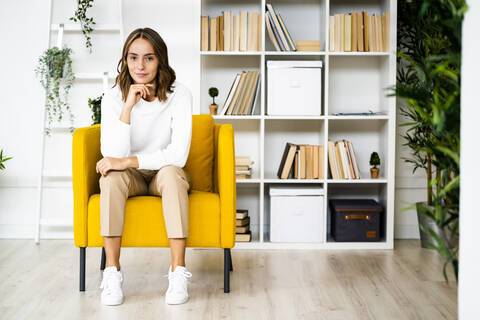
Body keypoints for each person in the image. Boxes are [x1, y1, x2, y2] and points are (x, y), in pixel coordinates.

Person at [95, 27, 193, 306]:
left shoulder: (180, 94)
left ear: (160, 60)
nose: (140, 65)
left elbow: (178, 155)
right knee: (111, 179)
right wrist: (127, 106)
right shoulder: (113, 96)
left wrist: (127, 161)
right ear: (125, 60)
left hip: (165, 172)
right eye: (133, 57)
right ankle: (112, 273)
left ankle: (177, 272)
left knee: (173, 175)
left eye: (149, 58)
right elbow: (112, 154)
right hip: (131, 177)